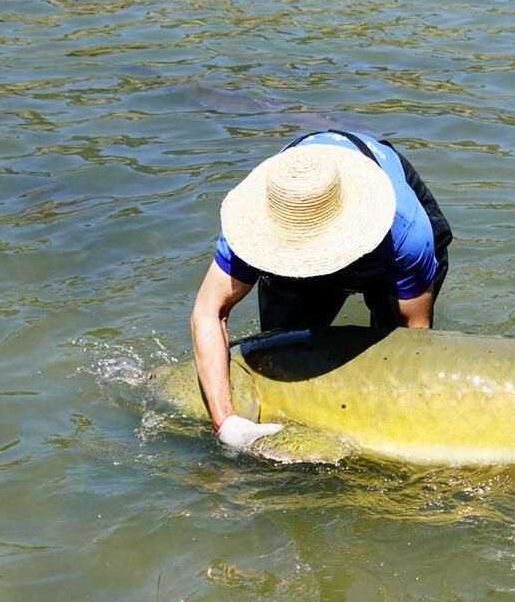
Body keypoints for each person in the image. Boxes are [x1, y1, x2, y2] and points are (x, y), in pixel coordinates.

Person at [191, 129, 452, 448]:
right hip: (295, 210)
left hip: (381, 231)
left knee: (393, 355)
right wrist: (226, 422)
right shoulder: (252, 223)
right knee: (283, 360)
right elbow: (209, 311)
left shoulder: (405, 230)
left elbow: (413, 338)